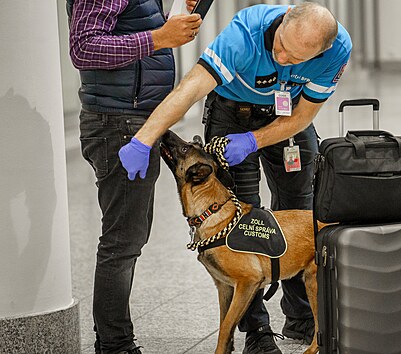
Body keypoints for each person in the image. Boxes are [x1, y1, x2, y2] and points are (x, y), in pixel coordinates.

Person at [118, 2, 351, 353]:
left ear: (322, 51)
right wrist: (144, 138)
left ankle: (302, 317)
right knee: (242, 222)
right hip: (231, 113)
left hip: (287, 117)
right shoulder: (245, 34)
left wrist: (255, 141)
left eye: (296, 57)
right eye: (281, 46)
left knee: (299, 207)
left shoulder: (337, 50)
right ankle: (256, 331)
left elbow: (302, 116)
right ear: (283, 21)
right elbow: (189, 89)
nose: (283, 58)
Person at [67, 0, 202, 352]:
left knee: (129, 238)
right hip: (118, 124)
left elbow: (128, 26)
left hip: (136, 121)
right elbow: (84, 47)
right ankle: (114, 345)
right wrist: (159, 37)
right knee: (122, 242)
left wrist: (169, 16)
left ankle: (115, 341)